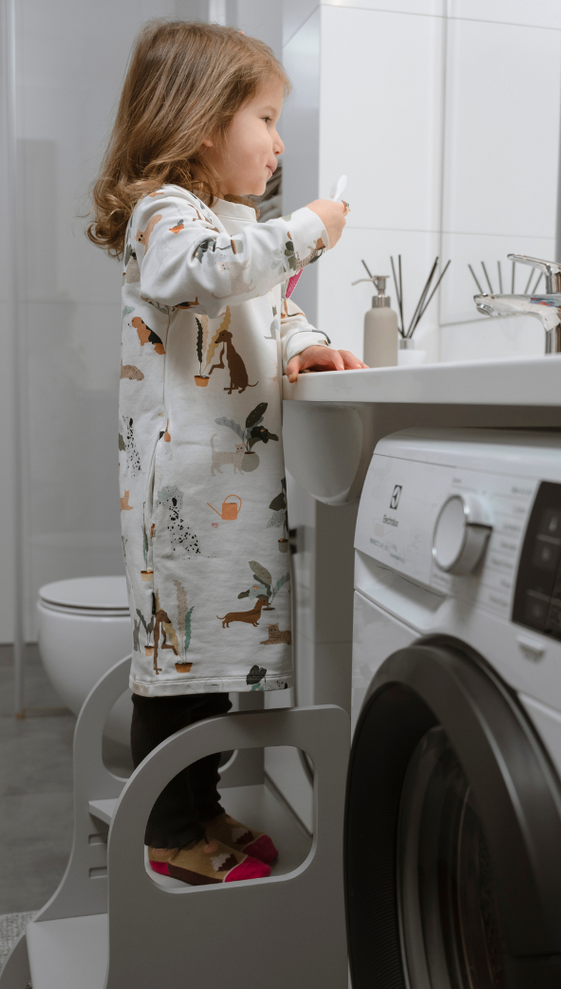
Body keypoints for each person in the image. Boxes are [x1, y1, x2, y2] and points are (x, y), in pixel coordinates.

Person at [87, 19, 364, 887]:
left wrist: (307, 343)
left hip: (224, 494)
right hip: (185, 499)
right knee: (178, 674)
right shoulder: (165, 219)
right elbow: (210, 272)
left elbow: (269, 313)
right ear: (207, 123)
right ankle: (168, 829)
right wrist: (308, 232)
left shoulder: (230, 229)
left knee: (205, 668)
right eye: (268, 119)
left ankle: (198, 805)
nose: (280, 143)